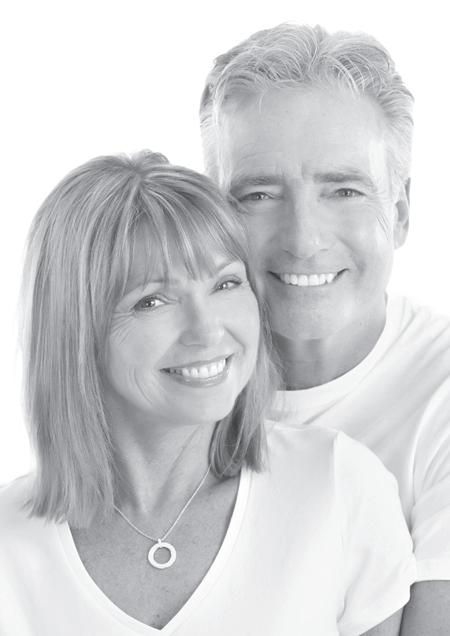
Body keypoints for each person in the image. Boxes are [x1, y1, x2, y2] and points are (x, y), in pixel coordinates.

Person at [0, 152, 414, 635]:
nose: (208, 330)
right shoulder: (12, 546)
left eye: (226, 283)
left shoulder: (337, 484)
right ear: (74, 330)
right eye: (152, 300)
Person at [200, 22, 450, 633]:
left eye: (344, 190)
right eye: (259, 195)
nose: (304, 239)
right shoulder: (165, 379)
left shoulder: (439, 394)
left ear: (400, 213)